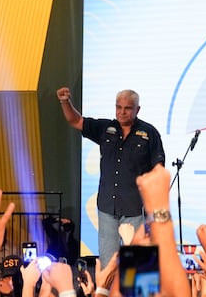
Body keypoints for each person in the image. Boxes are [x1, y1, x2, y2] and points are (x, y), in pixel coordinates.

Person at [57, 86, 165, 266]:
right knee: (108, 263)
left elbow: (159, 170)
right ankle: (106, 294)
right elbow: (75, 121)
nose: (122, 112)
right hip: (107, 208)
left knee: (138, 264)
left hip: (136, 209)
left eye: (128, 108)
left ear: (137, 110)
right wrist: (65, 101)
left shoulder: (149, 133)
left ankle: (136, 295)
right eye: (118, 107)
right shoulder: (105, 128)